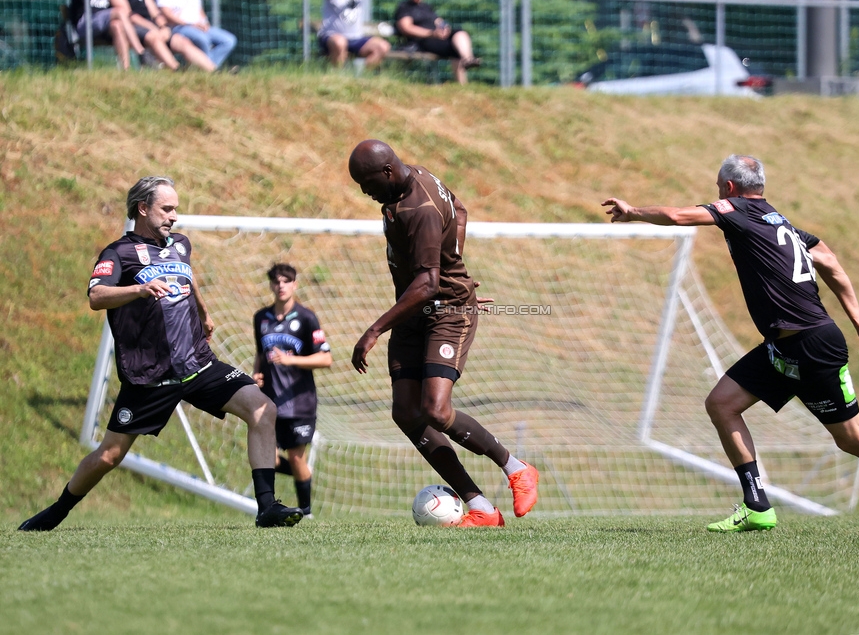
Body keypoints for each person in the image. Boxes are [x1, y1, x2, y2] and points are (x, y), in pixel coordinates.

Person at [602, 155, 859, 534]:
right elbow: (829, 260)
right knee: (722, 404)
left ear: (728, 188)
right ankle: (757, 506)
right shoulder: (781, 222)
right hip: (783, 347)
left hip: (811, 346)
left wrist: (634, 211)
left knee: (855, 439)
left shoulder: (736, 209)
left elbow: (678, 216)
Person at [19, 176, 303, 531]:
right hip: (151, 376)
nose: (174, 216)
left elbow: (188, 276)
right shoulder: (118, 253)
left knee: (263, 409)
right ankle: (53, 514)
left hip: (198, 365)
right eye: (167, 209)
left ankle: (267, 508)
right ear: (143, 209)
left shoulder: (180, 244)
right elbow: (96, 297)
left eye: (176, 209)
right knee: (109, 455)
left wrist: (203, 312)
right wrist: (139, 289)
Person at [348, 139, 539, 527]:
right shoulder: (414, 178)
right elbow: (461, 209)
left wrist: (374, 330)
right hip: (415, 312)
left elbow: (428, 285)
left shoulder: (417, 209)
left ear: (386, 172)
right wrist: (455, 262)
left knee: (435, 409)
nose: (365, 193)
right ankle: (482, 508)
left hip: (447, 312)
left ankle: (517, 468)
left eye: (367, 184)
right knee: (405, 410)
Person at [253, 263, 333, 519]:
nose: (281, 286)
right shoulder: (261, 318)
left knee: (297, 459)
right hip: (270, 403)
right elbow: (259, 354)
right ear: (271, 285)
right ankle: (293, 485)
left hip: (300, 404)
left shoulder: (307, 318)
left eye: (286, 281)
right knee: (268, 458)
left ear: (295, 284)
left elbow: (325, 359)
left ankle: (306, 511)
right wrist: (257, 374)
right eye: (276, 281)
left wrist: (291, 361)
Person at [108, 0, 217, 72]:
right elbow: (130, 16)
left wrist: (164, 27)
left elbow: (156, 13)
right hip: (132, 29)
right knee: (155, 38)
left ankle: (213, 71)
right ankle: (175, 69)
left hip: (153, 27)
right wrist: (154, 28)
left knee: (181, 41)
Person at [394, 0, 480, 85]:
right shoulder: (405, 7)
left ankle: (468, 58)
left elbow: (438, 21)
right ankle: (462, 82)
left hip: (437, 37)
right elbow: (406, 28)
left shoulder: (426, 7)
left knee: (459, 32)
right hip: (422, 41)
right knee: (454, 48)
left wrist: (445, 27)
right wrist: (431, 33)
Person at [69, 0, 153, 70]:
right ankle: (141, 53)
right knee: (119, 12)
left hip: (105, 26)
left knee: (116, 25)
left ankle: (126, 69)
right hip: (85, 25)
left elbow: (126, 10)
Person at [155, 0, 237, 70]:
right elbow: (166, 13)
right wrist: (189, 24)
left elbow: (199, 10)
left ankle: (209, 68)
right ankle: (211, 70)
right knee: (202, 39)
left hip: (199, 26)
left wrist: (205, 22)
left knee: (229, 40)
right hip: (179, 27)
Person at [318, 0, 389, 70]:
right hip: (332, 36)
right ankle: (338, 76)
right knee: (340, 42)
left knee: (382, 47)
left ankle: (360, 76)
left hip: (356, 38)